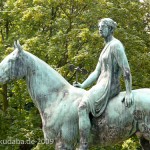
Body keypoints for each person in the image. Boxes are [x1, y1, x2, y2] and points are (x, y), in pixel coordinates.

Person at [74, 18, 133, 150]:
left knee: (82, 106)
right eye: (99, 27)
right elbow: (96, 72)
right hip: (101, 84)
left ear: (110, 29)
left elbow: (126, 69)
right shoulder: (105, 47)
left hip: (109, 85)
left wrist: (129, 92)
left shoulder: (116, 45)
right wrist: (83, 85)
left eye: (103, 27)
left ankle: (84, 145)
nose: (99, 29)